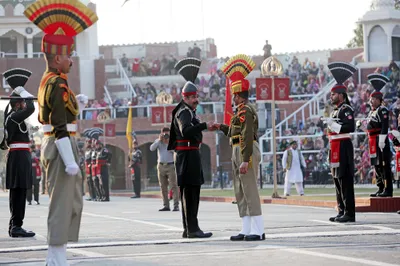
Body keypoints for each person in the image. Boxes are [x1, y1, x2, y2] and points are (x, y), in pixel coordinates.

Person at [24, 0, 96, 264]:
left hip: (58, 142)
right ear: (57, 57)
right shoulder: (56, 83)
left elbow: (59, 111)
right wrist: (69, 160)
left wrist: (78, 101)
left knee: (69, 204)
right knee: (62, 205)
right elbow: (58, 124)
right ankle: (55, 259)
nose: (71, 60)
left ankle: (58, 256)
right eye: (68, 55)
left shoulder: (53, 81)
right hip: (60, 144)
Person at [217, 54, 265, 241]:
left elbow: (246, 134)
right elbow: (234, 132)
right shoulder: (240, 111)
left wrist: (245, 159)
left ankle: (258, 230)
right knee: (241, 191)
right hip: (239, 148)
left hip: (246, 150)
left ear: (237, 95)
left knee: (250, 189)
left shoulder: (245, 110)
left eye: (234, 95)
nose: (233, 99)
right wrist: (220, 127)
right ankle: (246, 228)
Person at [168, 57, 217, 238]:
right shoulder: (184, 112)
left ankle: (188, 229)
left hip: (188, 156)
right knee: (191, 194)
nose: (196, 99)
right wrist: (204, 126)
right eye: (192, 97)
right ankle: (192, 229)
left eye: (196, 96)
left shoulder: (188, 111)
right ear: (185, 97)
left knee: (190, 194)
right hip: (187, 157)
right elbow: (186, 131)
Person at [0, 67, 36, 238]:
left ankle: (15, 225)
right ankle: (16, 226)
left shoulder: (13, 117)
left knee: (19, 192)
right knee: (19, 192)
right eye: (21, 102)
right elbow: (31, 108)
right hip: (19, 157)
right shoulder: (14, 116)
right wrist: (22, 91)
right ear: (18, 104)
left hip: (20, 157)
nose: (24, 104)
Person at [324, 62, 357, 223]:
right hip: (334, 146)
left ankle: (349, 213)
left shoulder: (346, 110)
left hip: (343, 146)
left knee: (344, 179)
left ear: (341, 95)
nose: (331, 97)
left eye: (333, 95)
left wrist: (334, 125)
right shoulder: (336, 110)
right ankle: (341, 209)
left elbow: (350, 126)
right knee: (336, 180)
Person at [361, 74, 393, 198]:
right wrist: (362, 127)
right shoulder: (371, 112)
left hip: (381, 140)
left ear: (379, 100)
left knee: (384, 165)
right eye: (370, 99)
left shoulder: (382, 110)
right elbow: (369, 128)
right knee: (377, 165)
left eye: (373, 99)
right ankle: (380, 188)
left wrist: (382, 139)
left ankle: (388, 189)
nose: (371, 101)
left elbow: (384, 126)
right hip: (372, 141)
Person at [150, 127, 179, 212]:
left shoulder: (172, 141)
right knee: (163, 187)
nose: (166, 136)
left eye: (167, 134)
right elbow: (151, 148)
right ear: (161, 133)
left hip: (170, 165)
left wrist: (168, 144)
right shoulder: (158, 141)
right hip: (161, 166)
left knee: (173, 186)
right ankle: (166, 205)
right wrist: (159, 140)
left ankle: (176, 205)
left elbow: (176, 151)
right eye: (164, 134)